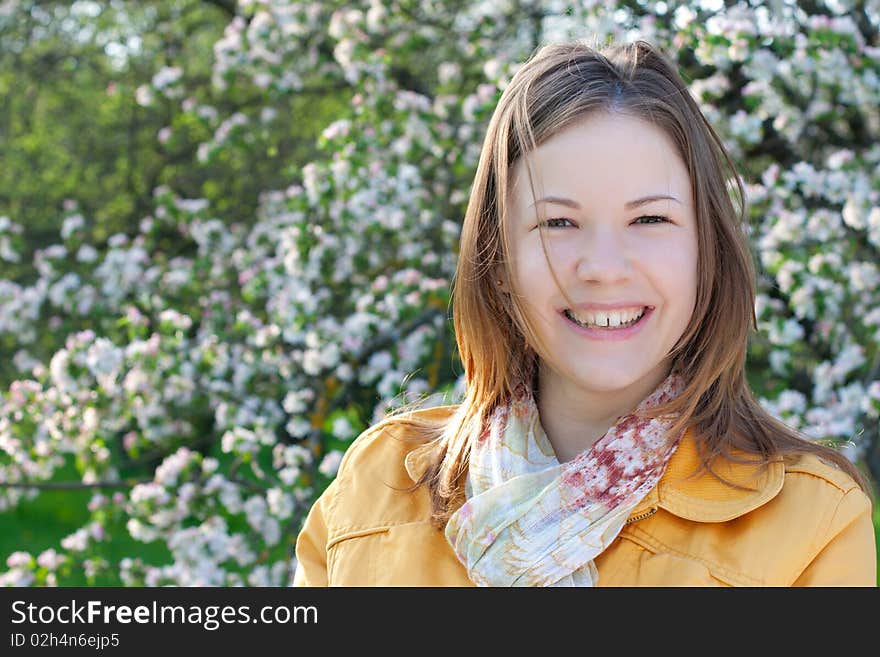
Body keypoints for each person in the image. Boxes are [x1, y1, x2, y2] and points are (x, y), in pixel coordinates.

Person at [292, 38, 877, 586]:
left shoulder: (812, 522)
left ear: (708, 251)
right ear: (497, 261)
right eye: (558, 223)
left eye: (650, 220)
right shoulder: (377, 484)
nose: (603, 267)